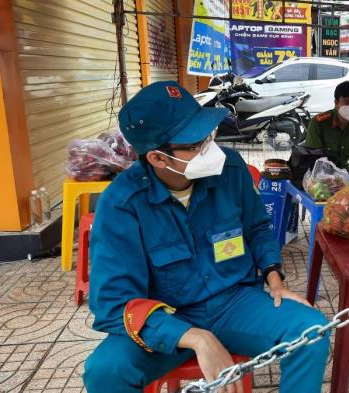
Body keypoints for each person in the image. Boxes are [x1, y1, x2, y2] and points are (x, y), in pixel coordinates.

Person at [82, 81, 329, 393]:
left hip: (236, 302)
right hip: (168, 317)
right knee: (104, 372)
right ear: (158, 158)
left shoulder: (231, 169)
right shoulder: (121, 205)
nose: (208, 147)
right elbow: (113, 304)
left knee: (312, 333)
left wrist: (275, 279)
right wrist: (196, 337)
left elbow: (257, 227)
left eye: (207, 135)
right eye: (194, 143)